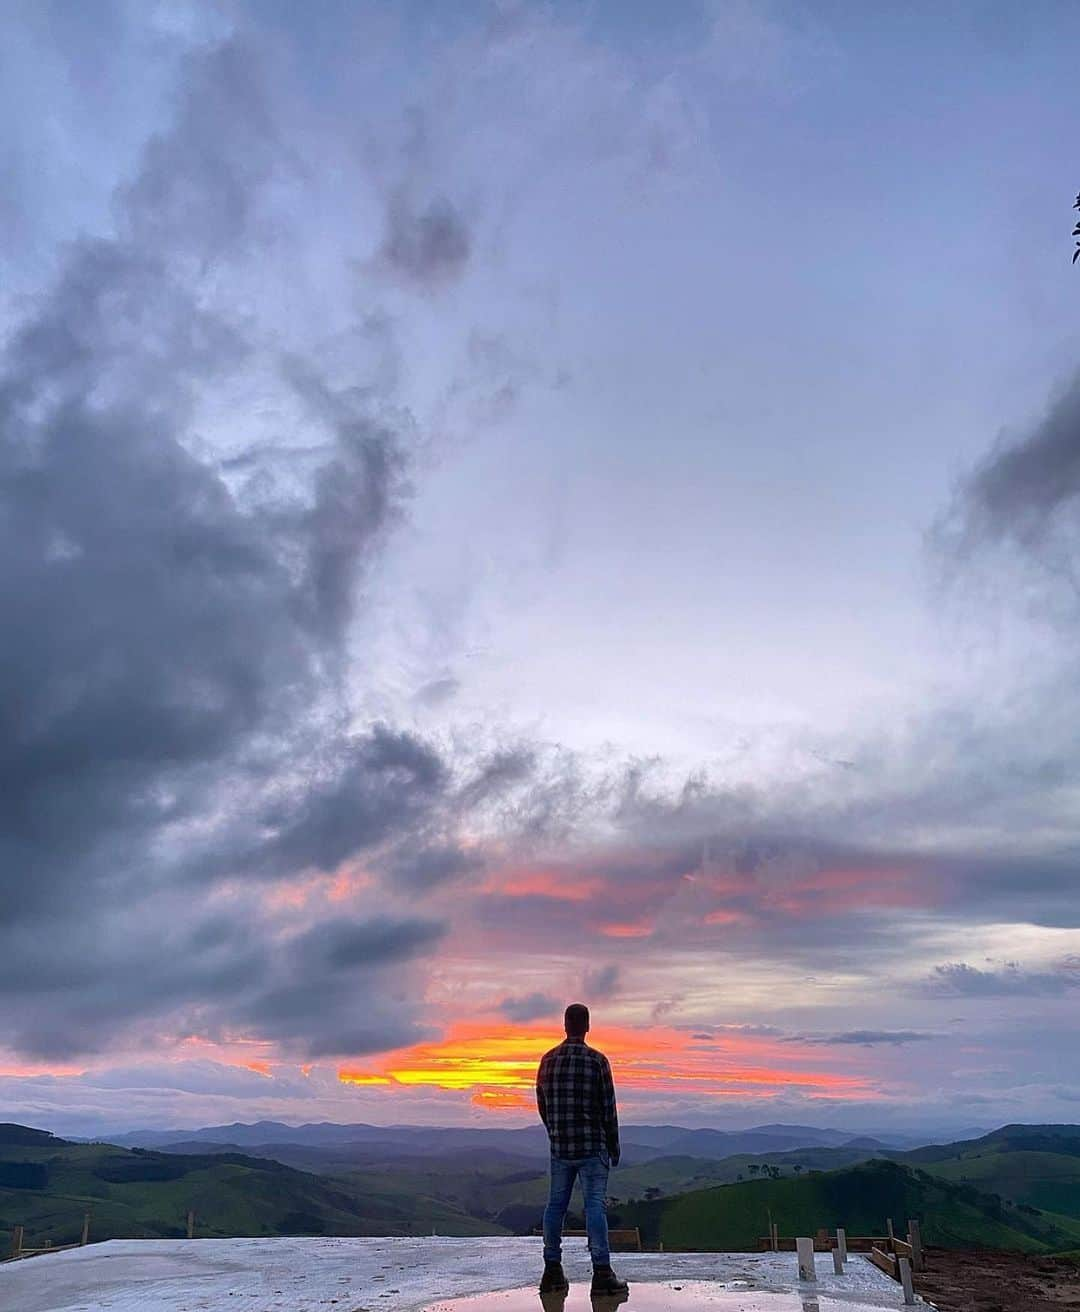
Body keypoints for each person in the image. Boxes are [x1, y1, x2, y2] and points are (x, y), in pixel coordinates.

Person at [536, 1002, 628, 1297]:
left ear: (565, 1025)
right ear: (587, 1026)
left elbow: (542, 1102)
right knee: (594, 1207)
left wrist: (554, 1132)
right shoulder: (597, 1061)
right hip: (591, 1147)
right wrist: (613, 1145)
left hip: (561, 1147)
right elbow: (608, 1108)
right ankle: (601, 1273)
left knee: (555, 1207)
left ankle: (552, 1270)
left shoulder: (547, 1060)